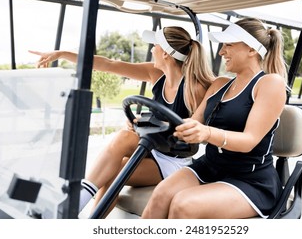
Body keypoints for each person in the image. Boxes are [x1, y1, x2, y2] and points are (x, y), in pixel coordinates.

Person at [29, 26, 214, 215]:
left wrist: (150, 124)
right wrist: (62, 54)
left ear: (166, 53)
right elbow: (109, 64)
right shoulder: (155, 74)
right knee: (122, 143)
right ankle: (81, 214)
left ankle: (73, 206)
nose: (151, 49)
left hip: (173, 162)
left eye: (155, 45)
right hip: (152, 149)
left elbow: (194, 135)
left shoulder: (194, 88)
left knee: (113, 169)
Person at [141, 17, 288, 219]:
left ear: (252, 50)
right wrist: (146, 124)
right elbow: (191, 123)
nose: (221, 52)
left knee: (184, 205)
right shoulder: (219, 84)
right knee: (161, 194)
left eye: (228, 45)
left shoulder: (270, 83)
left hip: (249, 179)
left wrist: (207, 133)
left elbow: (249, 141)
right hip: (210, 166)